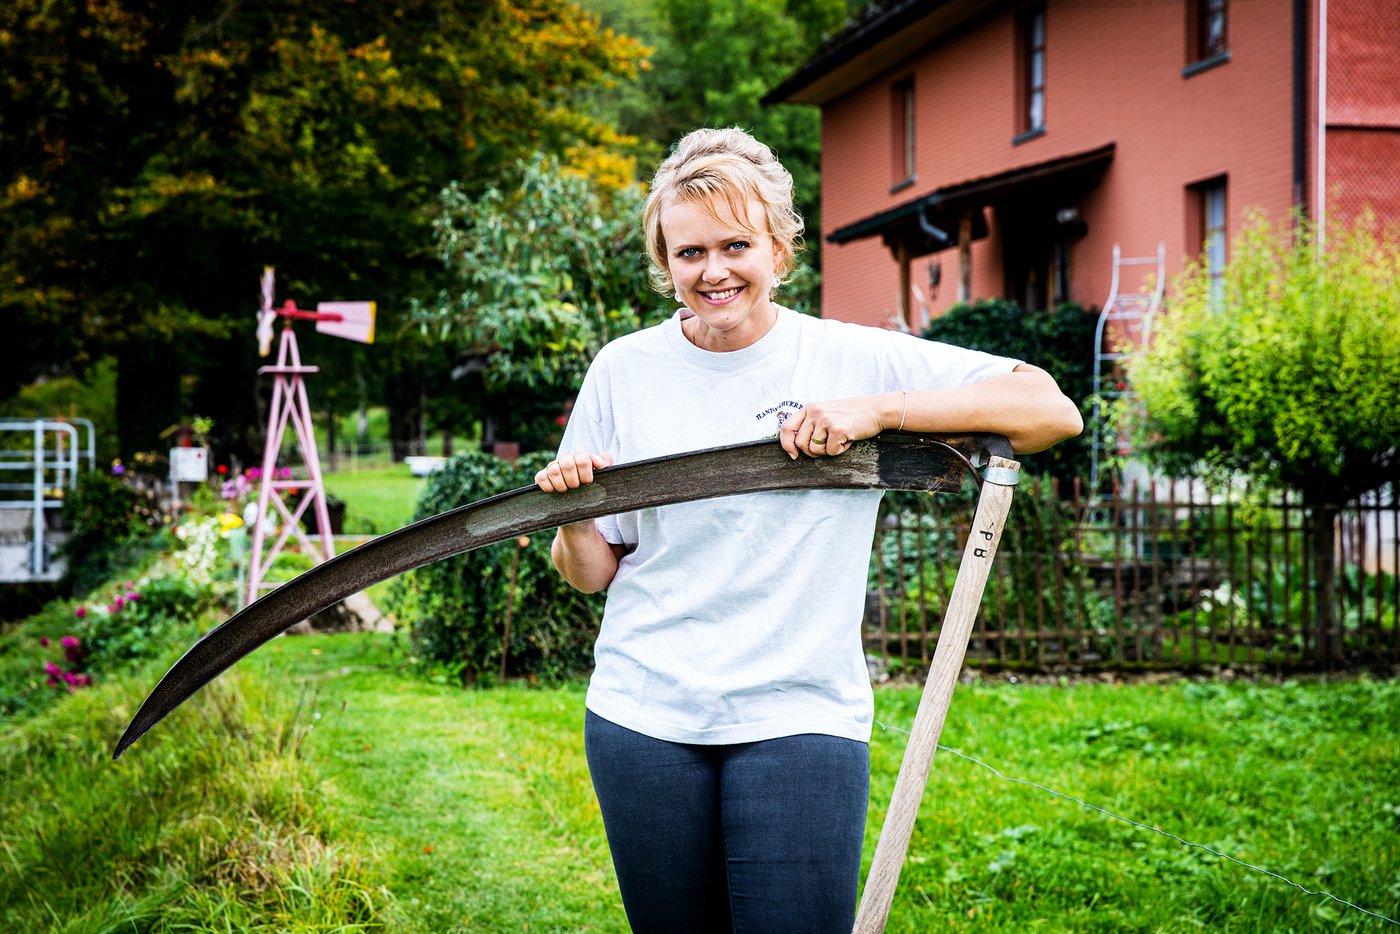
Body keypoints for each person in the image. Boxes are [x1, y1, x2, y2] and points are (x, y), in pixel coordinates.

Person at [534, 127, 1082, 932]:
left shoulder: (850, 357)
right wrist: (574, 513)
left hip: (800, 715)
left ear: (780, 249)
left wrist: (876, 412)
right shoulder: (624, 368)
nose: (713, 271)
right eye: (689, 254)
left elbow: (1050, 411)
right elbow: (590, 571)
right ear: (666, 264)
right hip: (643, 714)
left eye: (735, 245)